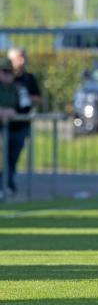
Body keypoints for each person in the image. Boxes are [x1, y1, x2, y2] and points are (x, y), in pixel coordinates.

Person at [6, 48, 42, 197]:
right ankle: (7, 185)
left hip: (21, 124)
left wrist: (26, 95)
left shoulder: (29, 78)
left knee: (13, 158)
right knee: (4, 158)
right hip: (4, 124)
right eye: (19, 58)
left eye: (24, 57)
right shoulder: (5, 78)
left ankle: (8, 184)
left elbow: (39, 99)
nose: (22, 61)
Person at [0, 57, 20, 200]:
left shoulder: (16, 88)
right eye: (4, 72)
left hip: (12, 129)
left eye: (9, 72)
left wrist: (13, 111)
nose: (7, 75)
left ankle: (7, 186)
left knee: (9, 160)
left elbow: (23, 106)